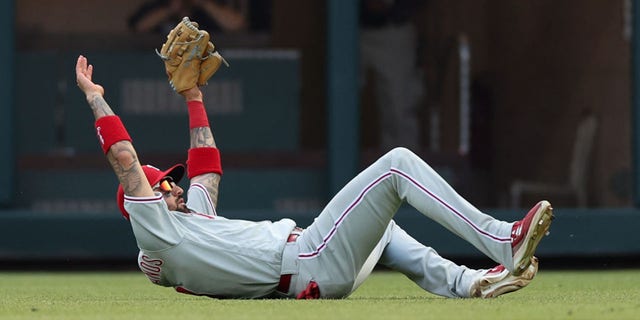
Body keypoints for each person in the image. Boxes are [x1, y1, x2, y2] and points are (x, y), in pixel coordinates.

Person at [75, 52, 553, 299]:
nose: (173, 186)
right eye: (163, 185)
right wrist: (96, 98)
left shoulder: (185, 229)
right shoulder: (157, 234)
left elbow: (208, 167)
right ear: (141, 207)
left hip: (311, 271)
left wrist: (194, 97)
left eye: (170, 181)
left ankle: (467, 284)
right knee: (398, 164)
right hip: (307, 261)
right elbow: (124, 159)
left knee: (382, 226)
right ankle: (501, 240)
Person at [360, 0, 427, 150]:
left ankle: (404, 169)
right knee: (341, 99)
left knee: (398, 105)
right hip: (351, 27)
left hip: (394, 29)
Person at [128, 0, 249, 35]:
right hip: (164, 71)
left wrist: (205, 4)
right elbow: (139, 27)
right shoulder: (159, 6)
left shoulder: (210, 8)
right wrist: (171, 9)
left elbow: (237, 25)